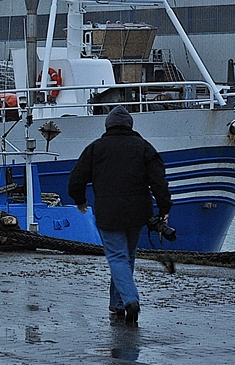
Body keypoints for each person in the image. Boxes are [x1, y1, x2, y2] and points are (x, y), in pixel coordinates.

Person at [67, 105, 172, 325]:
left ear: (108, 126)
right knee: (127, 256)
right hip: (138, 213)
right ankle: (117, 303)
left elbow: (76, 179)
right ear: (130, 126)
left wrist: (80, 200)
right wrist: (164, 210)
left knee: (117, 257)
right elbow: (159, 182)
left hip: (108, 213)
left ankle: (130, 299)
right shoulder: (144, 147)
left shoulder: (96, 148)